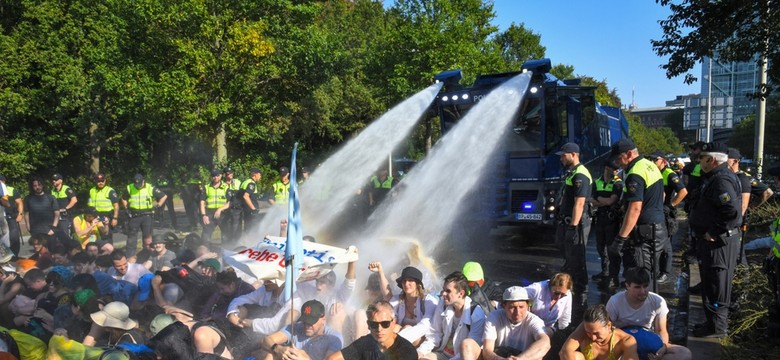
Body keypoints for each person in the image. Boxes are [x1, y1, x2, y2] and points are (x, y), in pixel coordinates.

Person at [688, 142, 742, 338]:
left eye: (702, 158)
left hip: (718, 243)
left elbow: (732, 212)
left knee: (716, 284)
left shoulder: (721, 180)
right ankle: (712, 323)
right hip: (713, 242)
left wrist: (714, 231)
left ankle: (717, 327)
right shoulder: (716, 177)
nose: (699, 162)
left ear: (711, 160)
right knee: (711, 283)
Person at [609, 139, 668, 286]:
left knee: (640, 280)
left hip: (644, 235)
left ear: (629, 154)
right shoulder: (650, 165)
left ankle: (643, 308)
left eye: (618, 158)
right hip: (657, 229)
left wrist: (620, 239)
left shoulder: (635, 172)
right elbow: (663, 195)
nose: (617, 163)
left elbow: (635, 208)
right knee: (648, 275)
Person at [606, 267, 691, 360]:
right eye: (637, 287)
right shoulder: (615, 302)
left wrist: (662, 348)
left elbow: (661, 330)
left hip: (648, 341)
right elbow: (608, 330)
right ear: (627, 286)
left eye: (645, 286)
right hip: (623, 343)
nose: (642, 291)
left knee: (684, 353)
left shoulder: (658, 301)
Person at [555, 142, 592, 323]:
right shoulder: (571, 173)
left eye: (563, 155)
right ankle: (571, 296)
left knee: (577, 260)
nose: (561, 158)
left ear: (573, 154)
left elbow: (579, 203)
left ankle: (581, 303)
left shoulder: (581, 175)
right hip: (568, 223)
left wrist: (572, 227)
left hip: (576, 225)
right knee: (569, 260)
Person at [461, 286, 550, 360]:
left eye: (521, 307)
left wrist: (520, 358)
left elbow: (545, 343)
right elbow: (487, 350)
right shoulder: (494, 317)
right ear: (504, 306)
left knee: (539, 355)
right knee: (467, 344)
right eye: (512, 307)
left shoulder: (534, 321)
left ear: (527, 306)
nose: (517, 312)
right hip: (498, 357)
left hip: (523, 358)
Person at [418, 271, 486, 360]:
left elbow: (470, 350)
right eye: (443, 290)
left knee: (467, 345)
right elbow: (434, 333)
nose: (443, 294)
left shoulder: (476, 313)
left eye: (448, 291)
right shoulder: (442, 304)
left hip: (463, 357)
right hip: (442, 353)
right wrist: (420, 352)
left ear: (461, 293)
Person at [325, 300, 417, 360]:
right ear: (368, 325)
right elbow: (332, 358)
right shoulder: (365, 343)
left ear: (393, 323)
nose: (379, 329)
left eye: (385, 324)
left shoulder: (406, 352)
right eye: (374, 324)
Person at [649, 151, 687, 284]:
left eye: (656, 160)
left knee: (666, 245)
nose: (653, 162)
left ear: (664, 161)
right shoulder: (654, 172)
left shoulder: (669, 174)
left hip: (666, 214)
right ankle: (656, 270)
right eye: (651, 160)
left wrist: (670, 206)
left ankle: (665, 272)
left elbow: (683, 192)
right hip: (656, 212)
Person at [262, 299, 343, 360]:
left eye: (311, 322)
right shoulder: (296, 327)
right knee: (271, 353)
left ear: (323, 319)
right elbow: (267, 340)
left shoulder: (334, 338)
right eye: (305, 321)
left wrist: (306, 359)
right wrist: (279, 349)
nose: (307, 325)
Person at [559, 304, 639, 360]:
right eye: (588, 333)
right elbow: (565, 350)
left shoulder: (626, 340)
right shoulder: (585, 327)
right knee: (575, 356)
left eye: (596, 333)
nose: (593, 338)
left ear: (608, 325)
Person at [590, 162, 624, 289]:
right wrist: (603, 201)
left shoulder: (618, 183)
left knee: (612, 249)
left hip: (612, 219)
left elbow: (612, 201)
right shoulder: (597, 181)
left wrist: (599, 199)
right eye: (613, 168)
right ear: (606, 168)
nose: (616, 171)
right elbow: (592, 201)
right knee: (600, 246)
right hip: (600, 218)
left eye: (617, 169)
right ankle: (605, 271)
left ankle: (613, 276)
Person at [388, 266, 439, 348]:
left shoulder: (429, 301)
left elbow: (425, 326)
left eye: (410, 280)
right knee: (395, 327)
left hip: (423, 340)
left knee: (407, 327)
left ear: (418, 284)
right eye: (404, 281)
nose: (406, 284)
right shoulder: (396, 299)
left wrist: (396, 341)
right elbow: (388, 316)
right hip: (401, 339)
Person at [122, 173, 167, 257]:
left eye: (140, 183)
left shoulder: (150, 187)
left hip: (147, 216)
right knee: (131, 238)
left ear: (144, 181)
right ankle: (129, 257)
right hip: (134, 215)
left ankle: (147, 256)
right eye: (136, 184)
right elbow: (124, 198)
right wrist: (126, 208)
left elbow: (164, 196)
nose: (138, 185)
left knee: (147, 239)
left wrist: (157, 206)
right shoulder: (130, 187)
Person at [88, 173, 120, 243]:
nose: (101, 183)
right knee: (93, 235)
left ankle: (109, 252)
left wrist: (115, 218)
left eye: (102, 181)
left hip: (106, 216)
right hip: (95, 216)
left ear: (105, 181)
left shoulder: (110, 190)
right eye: (99, 181)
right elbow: (90, 204)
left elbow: (116, 205)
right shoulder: (92, 190)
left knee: (106, 237)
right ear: (95, 181)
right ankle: (94, 252)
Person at [199, 169, 229, 243]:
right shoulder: (207, 187)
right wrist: (204, 215)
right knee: (205, 236)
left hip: (223, 213)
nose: (215, 177)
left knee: (226, 235)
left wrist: (219, 209)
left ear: (221, 175)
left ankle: (226, 251)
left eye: (217, 175)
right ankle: (206, 251)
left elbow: (230, 203)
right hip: (210, 213)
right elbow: (202, 202)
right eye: (213, 176)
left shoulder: (226, 187)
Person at [0, 175, 23, 257]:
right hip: (1, 218)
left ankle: (15, 255)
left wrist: (20, 214)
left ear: (3, 181)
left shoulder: (11, 190)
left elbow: (19, 203)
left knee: (14, 238)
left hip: (11, 217)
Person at [240, 168, 263, 236]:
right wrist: (253, 209)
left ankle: (246, 242)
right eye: (260, 175)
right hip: (251, 212)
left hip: (246, 210)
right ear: (255, 174)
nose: (260, 177)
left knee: (247, 228)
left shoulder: (245, 182)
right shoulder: (251, 184)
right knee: (253, 229)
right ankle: (251, 243)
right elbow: (245, 196)